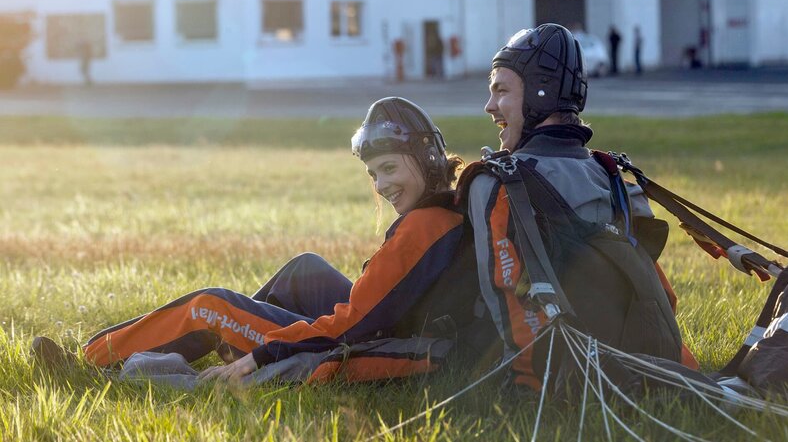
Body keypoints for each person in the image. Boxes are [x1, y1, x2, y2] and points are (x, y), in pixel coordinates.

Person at [32, 97, 492, 384]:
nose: (381, 185)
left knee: (210, 306)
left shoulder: (424, 226)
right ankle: (225, 346)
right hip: (394, 328)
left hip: (375, 345)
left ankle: (86, 364)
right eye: (373, 174)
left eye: (389, 168)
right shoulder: (442, 213)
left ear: (426, 157)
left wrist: (266, 352)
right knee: (305, 269)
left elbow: (353, 323)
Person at [459, 24, 695, 390]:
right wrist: (679, 372)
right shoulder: (615, 178)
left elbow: (508, 299)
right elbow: (655, 294)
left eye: (501, 90)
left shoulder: (496, 183)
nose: (489, 106)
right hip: (654, 367)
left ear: (541, 93)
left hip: (562, 382)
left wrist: (526, 387)